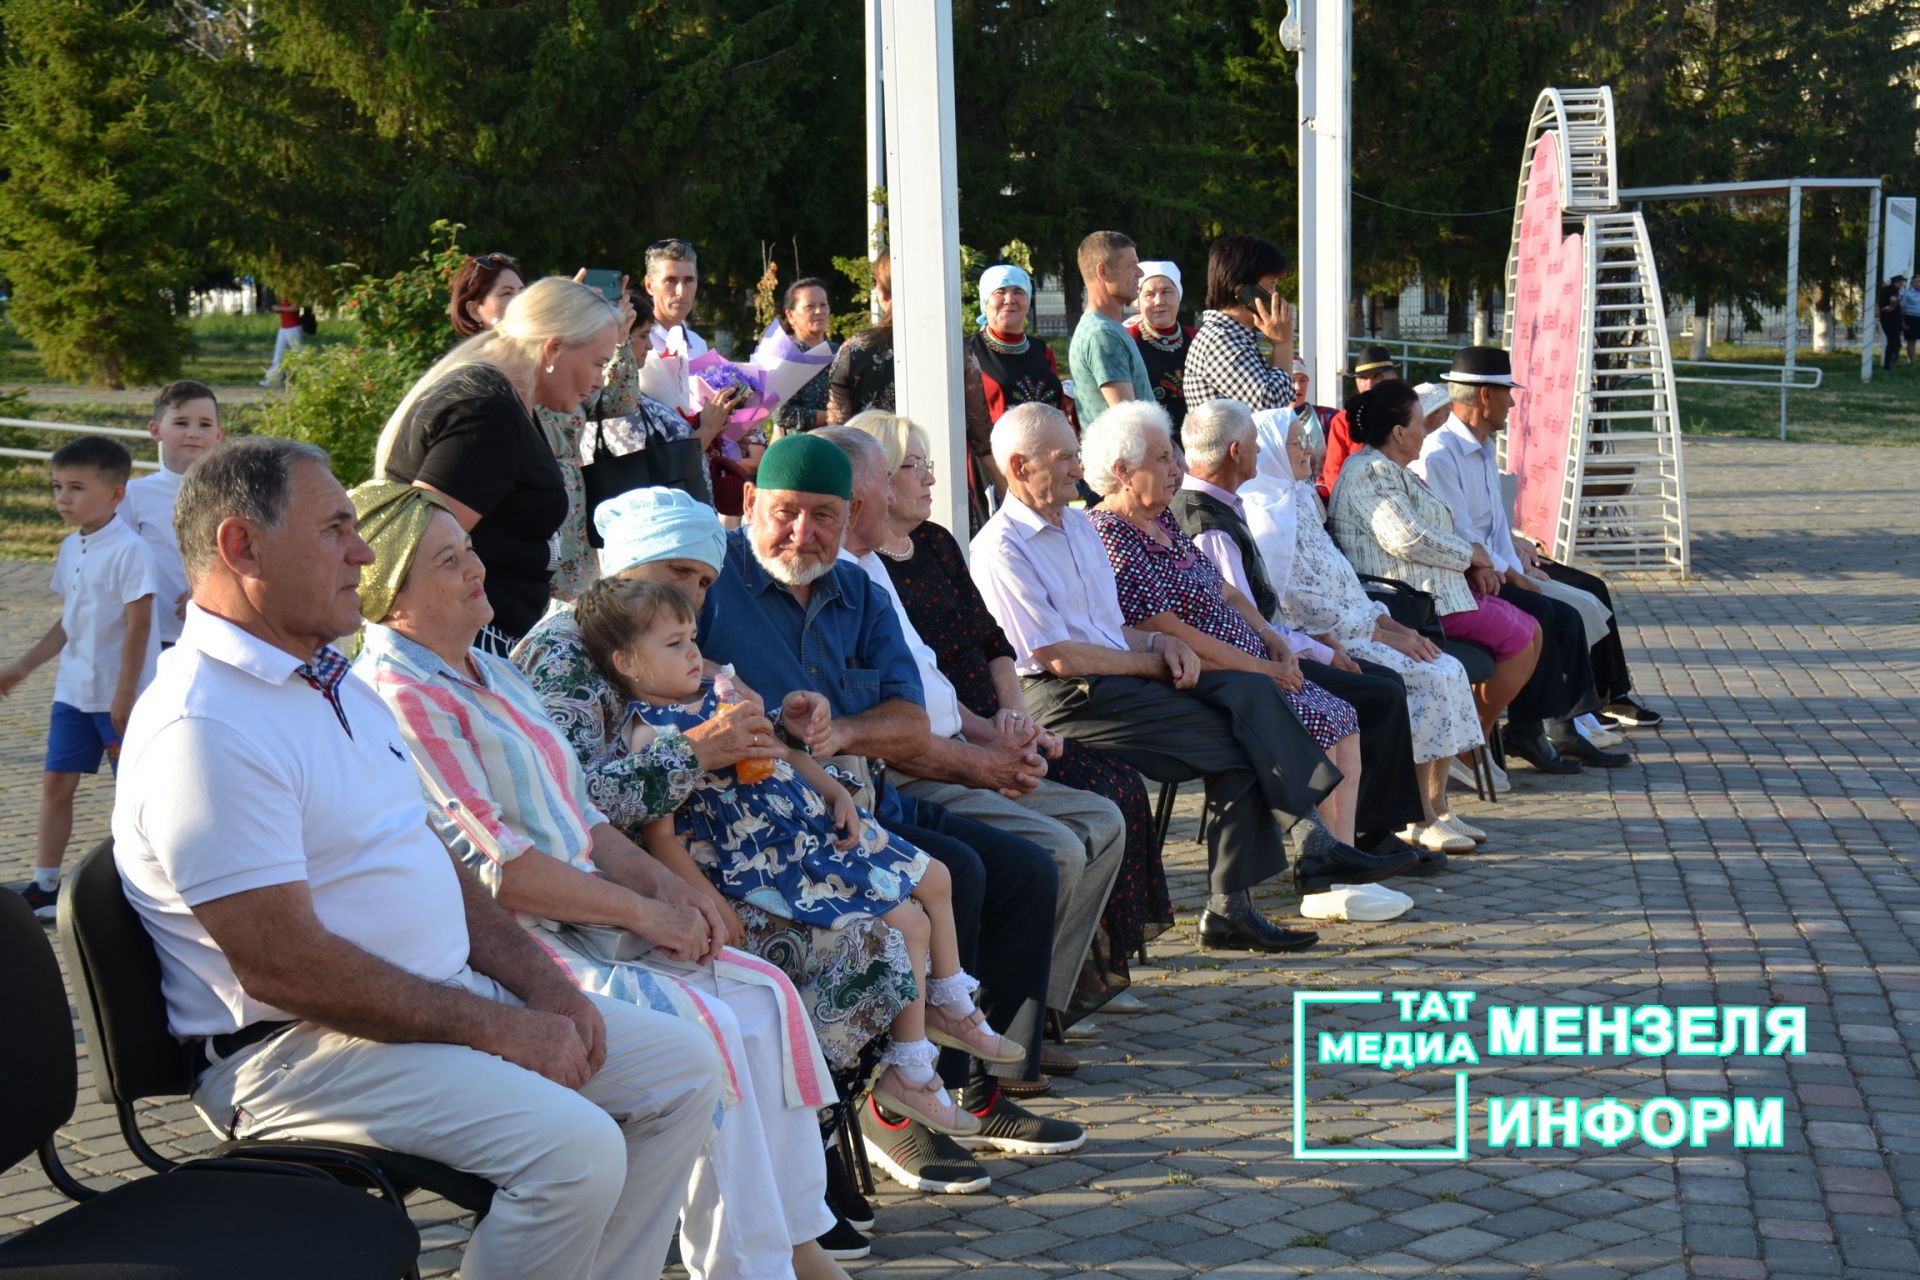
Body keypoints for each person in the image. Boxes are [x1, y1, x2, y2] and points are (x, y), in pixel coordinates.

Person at [113, 437, 723, 1280]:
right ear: (239, 546)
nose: (364, 552)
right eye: (335, 530)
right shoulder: (205, 726)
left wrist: (546, 990)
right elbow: (285, 966)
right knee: (574, 1151)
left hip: (425, 1009)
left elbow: (436, 858)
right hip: (294, 1052)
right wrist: (506, 1027)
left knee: (684, 1069)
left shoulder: (332, 683)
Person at [347, 482, 855, 1280]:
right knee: (710, 1031)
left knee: (761, 995)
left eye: (469, 547)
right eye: (450, 560)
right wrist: (643, 912)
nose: (479, 568)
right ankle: (745, 1268)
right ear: (392, 595)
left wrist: (666, 888)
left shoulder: (489, 672)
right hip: (520, 943)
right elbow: (497, 870)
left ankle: (793, 1241)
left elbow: (582, 817)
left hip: (594, 914)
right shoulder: (403, 693)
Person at [695, 433, 1082, 1194]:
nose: (801, 534)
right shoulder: (711, 581)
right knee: (957, 876)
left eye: (823, 518)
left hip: (868, 795)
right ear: (748, 504)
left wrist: (841, 732)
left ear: (851, 517)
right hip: (763, 813)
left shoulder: (859, 588)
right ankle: (891, 1113)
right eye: (785, 513)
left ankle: (971, 1087)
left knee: (1028, 871)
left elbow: (909, 716)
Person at [578, 576, 1024, 1134]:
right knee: (907, 921)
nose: (695, 652)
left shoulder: (722, 696)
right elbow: (664, 838)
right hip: (764, 861)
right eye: (674, 644)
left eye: (693, 638)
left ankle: (951, 1005)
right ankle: (910, 1070)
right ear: (627, 662)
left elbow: (782, 753)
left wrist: (834, 789)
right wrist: (708, 898)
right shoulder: (653, 738)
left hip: (803, 830)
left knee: (936, 876)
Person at [971, 403, 1417, 955]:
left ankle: (1256, 889)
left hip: (1119, 678)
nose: (1075, 466)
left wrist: (1162, 644)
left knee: (1252, 710)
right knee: (1249, 730)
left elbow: (1118, 630)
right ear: (1019, 466)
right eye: (1064, 457)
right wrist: (1158, 656)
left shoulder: (1078, 529)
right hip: (1066, 698)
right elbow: (1059, 656)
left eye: (1075, 453)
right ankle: (1274, 872)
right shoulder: (1003, 545)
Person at [823, 421, 1127, 1055]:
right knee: (1054, 851)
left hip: (957, 745)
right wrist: (980, 762)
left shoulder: (882, 562)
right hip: (914, 770)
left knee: (1104, 815)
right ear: (858, 499)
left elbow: (936, 676)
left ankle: (1038, 1008)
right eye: (903, 473)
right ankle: (990, 1028)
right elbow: (889, 729)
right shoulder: (843, 583)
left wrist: (993, 731)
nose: (928, 480)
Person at [1083, 402, 1428, 854]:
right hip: (1207, 674)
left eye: (1173, 455)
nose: (1177, 467)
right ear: (1123, 472)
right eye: (1163, 459)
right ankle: (1321, 857)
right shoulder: (1111, 534)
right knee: (1323, 716)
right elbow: (1168, 629)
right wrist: (1263, 667)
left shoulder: (1161, 517)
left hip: (1250, 655)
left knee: (1343, 716)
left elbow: (1225, 590)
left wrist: (1269, 636)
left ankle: (1344, 852)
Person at [1184, 399, 1489, 851]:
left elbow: (1334, 583)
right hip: (1305, 642)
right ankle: (1390, 826)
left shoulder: (1291, 502)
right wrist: (1339, 641)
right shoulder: (1253, 515)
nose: (1307, 449)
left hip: (1322, 634)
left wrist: (1384, 623)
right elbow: (1281, 606)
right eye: (1294, 443)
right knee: (1395, 686)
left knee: (1443, 668)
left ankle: (1433, 808)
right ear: (1249, 450)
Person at [1413, 346, 1652, 762]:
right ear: (1485, 396)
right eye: (1507, 393)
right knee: (1554, 615)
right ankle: (1539, 730)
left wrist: (1518, 567)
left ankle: (1563, 725)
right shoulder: (1440, 453)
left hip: (1495, 568)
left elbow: (1497, 527)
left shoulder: (1483, 446)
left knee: (1573, 606)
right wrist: (1511, 574)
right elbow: (1462, 533)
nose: (1512, 402)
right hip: (1466, 578)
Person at [375, 276, 620, 652]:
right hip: (466, 646)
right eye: (599, 363)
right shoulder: (487, 413)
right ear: (553, 349)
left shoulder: (500, 398)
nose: (602, 380)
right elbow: (424, 544)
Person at [1327, 381, 1551, 774]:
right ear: (1399, 433)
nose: (1426, 432)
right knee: (1521, 635)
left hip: (1431, 588)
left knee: (1531, 630)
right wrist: (1471, 556)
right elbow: (1407, 536)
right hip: (1406, 599)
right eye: (1420, 423)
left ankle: (1470, 739)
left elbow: (1431, 531)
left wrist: (1473, 564)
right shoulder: (1369, 471)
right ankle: (1469, 745)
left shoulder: (1394, 469)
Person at [0, 436, 158, 920]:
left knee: (131, 797)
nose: (63, 498)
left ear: (116, 493)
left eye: (76, 487)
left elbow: (140, 623)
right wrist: (22, 667)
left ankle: (140, 887)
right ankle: (46, 884)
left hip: (120, 699)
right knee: (55, 786)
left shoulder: (132, 550)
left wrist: (127, 692)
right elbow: (68, 622)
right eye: (56, 487)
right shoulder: (71, 547)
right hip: (73, 695)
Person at [825, 250, 995, 522]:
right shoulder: (954, 347)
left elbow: (838, 437)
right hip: (941, 489)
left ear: (881, 293)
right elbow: (982, 436)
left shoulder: (854, 351)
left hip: (870, 496)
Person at [123, 380, 224, 647]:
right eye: (181, 423)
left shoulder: (235, 494)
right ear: (156, 430)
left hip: (219, 634)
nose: (193, 433)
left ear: (219, 433)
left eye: (205, 424)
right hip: (156, 635)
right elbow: (120, 564)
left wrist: (210, 589)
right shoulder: (133, 495)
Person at [1178, 234, 1296, 414]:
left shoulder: (1238, 336)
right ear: (1243, 291)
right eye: (1271, 286)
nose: (1275, 296)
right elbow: (1271, 406)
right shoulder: (1218, 340)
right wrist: (1282, 344)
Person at [970, 263, 1076, 429]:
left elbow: (1060, 407)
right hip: (994, 453)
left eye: (1018, 292)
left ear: (1028, 301)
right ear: (985, 301)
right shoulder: (968, 352)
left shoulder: (1042, 351)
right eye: (1000, 292)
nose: (1010, 299)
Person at [1067, 230, 1154, 427]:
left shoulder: (1107, 328)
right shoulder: (1102, 334)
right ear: (1103, 271)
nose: (1140, 273)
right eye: (1132, 265)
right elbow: (1130, 422)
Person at [1125, 260, 1198, 434]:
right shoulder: (1128, 339)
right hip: (1149, 440)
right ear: (1138, 302)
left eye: (1166, 292)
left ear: (1179, 296)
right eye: (1149, 294)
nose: (1159, 301)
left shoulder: (1197, 338)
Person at [1316, 345, 1399, 497]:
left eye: (1377, 376)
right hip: (1354, 501)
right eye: (1363, 378)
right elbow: (1333, 472)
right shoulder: (1343, 420)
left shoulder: (1407, 413)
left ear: (1393, 376)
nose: (1369, 384)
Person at [773, 277, 837, 435]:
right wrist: (828, 416)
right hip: (804, 448)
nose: (819, 311)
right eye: (810, 306)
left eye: (823, 305)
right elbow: (781, 413)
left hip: (841, 444)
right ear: (790, 315)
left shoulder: (839, 352)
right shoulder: (786, 355)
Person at [644, 238, 710, 357]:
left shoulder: (698, 345)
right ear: (649, 285)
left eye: (689, 280)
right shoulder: (635, 342)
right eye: (671, 281)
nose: (681, 292)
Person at [449, 252, 528, 337]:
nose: (520, 299)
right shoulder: (474, 350)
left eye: (522, 292)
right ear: (474, 311)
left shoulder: (540, 347)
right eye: (506, 293)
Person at [260, 295, 303, 386]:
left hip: (293, 327)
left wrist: (280, 308)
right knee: (278, 355)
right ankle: (274, 379)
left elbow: (296, 308)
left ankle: (304, 378)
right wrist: (278, 309)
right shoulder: (283, 293)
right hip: (284, 327)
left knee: (298, 354)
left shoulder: (294, 292)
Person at [1877, 275, 1905, 371]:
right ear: (1896, 282)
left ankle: (1887, 364)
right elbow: (1893, 301)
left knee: (1891, 341)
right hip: (1893, 318)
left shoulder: (1883, 290)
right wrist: (1893, 307)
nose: (1902, 284)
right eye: (1901, 282)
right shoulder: (1894, 290)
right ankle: (1893, 358)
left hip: (1884, 319)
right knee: (1895, 342)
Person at [1902, 273, 1920, 366]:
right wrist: (1903, 322)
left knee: (1916, 340)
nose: (1918, 283)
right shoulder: (1907, 294)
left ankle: (1913, 359)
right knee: (1911, 340)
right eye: (1916, 281)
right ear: (1912, 282)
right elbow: (1902, 308)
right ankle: (1912, 362)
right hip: (1911, 319)